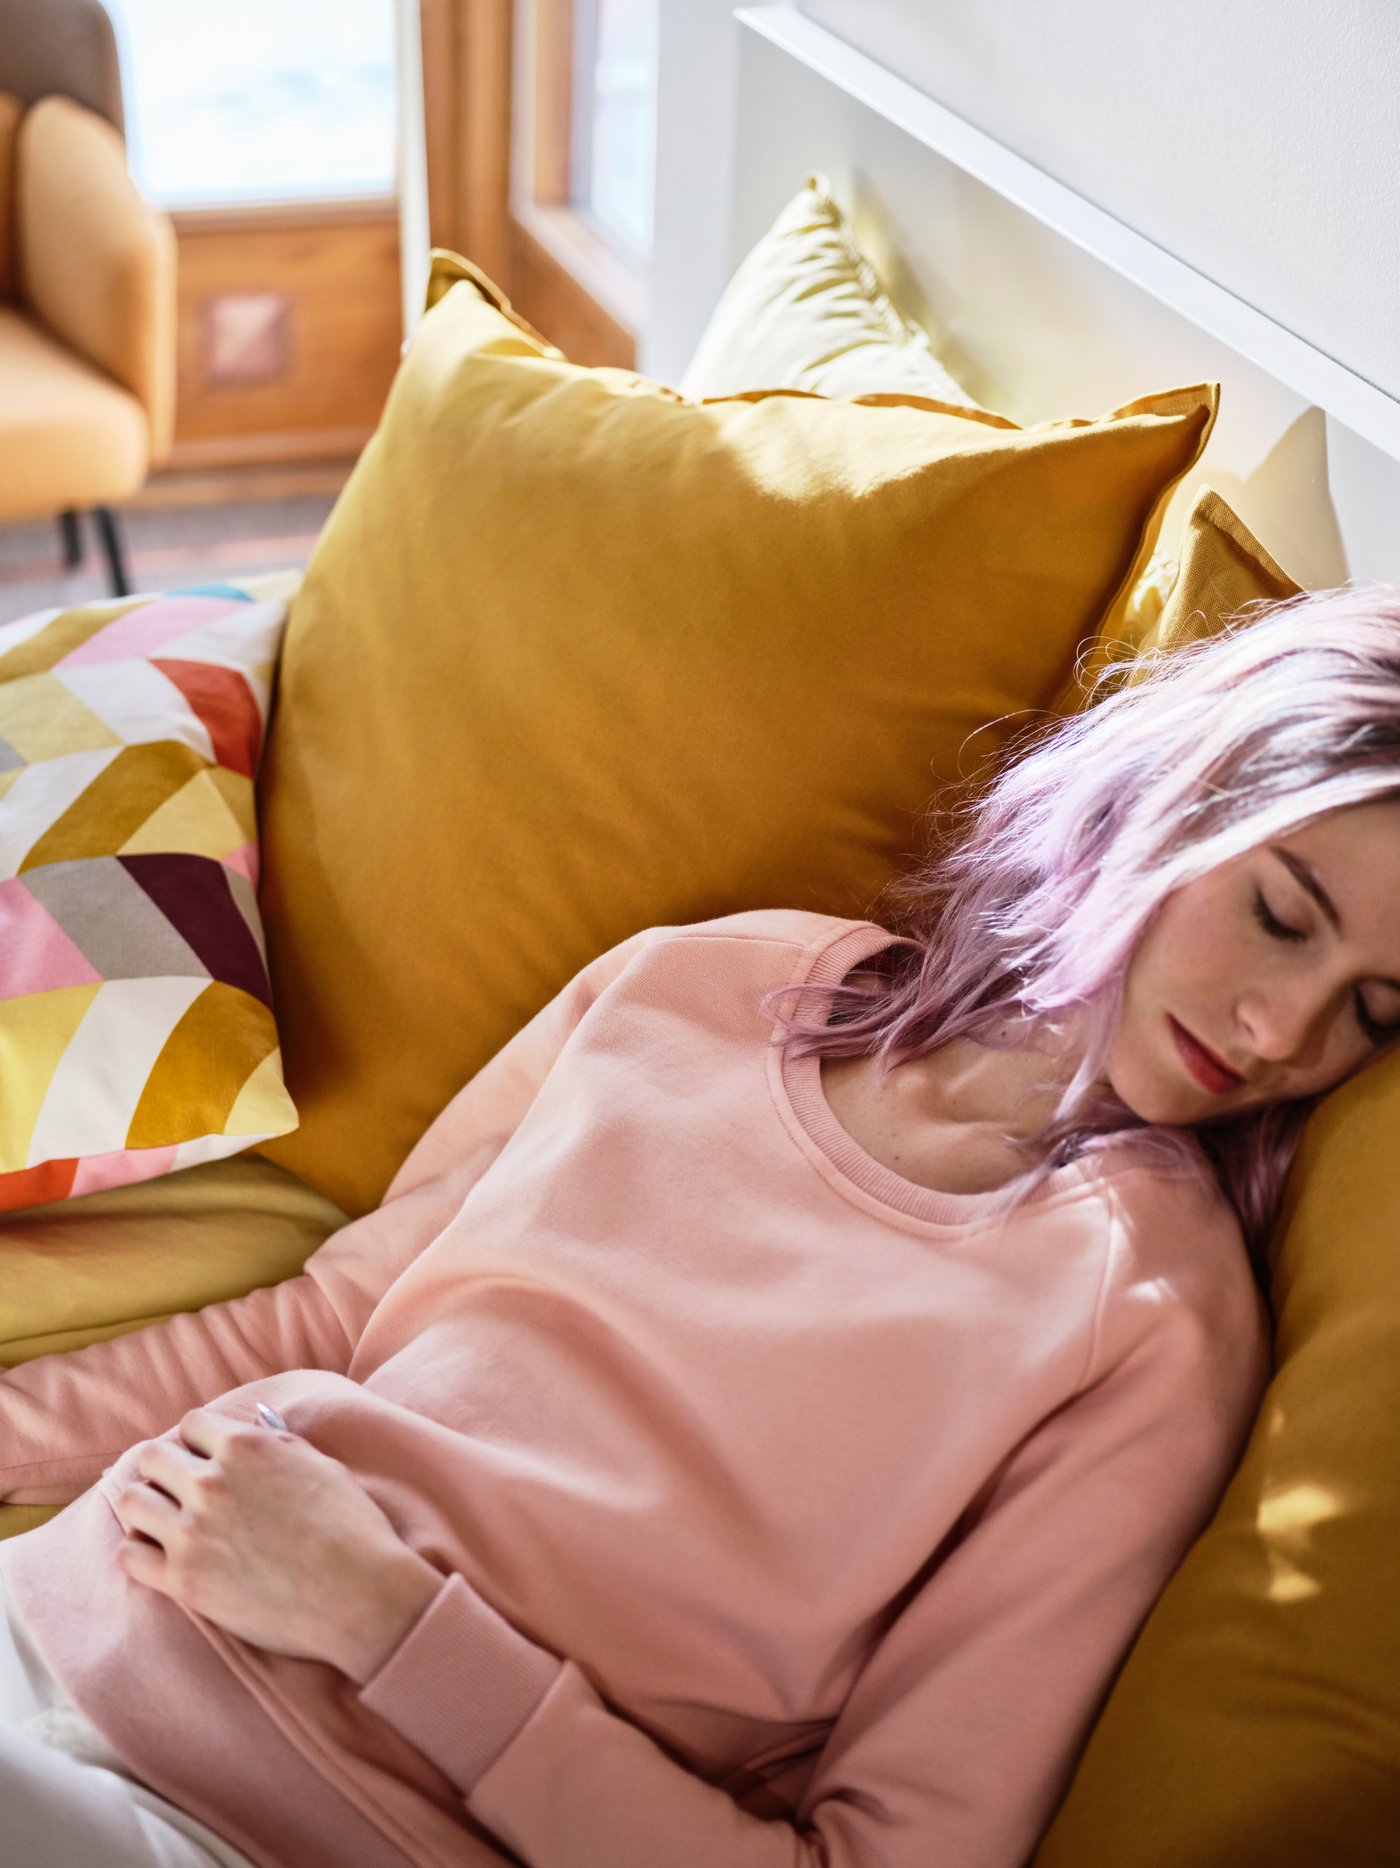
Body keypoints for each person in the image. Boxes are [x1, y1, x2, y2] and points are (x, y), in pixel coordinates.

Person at [3, 584, 1400, 1868]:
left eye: (1374, 1011)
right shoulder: (715, 980)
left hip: (260, 1827)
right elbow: (332, 1315)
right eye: (1282, 915)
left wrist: (390, 1625)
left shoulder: (1149, 1325)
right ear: (1171, 799)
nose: (1284, 1030)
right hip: (57, 1620)